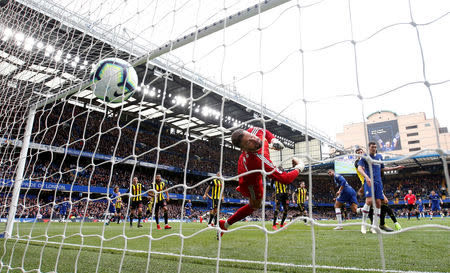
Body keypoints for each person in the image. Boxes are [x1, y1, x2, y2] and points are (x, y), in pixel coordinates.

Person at [217, 127, 304, 239]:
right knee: (255, 205)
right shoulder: (259, 159)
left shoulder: (253, 132)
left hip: (248, 167)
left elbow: (264, 131)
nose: (255, 140)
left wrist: (273, 140)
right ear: (244, 148)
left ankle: (225, 224)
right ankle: (225, 224)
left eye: (251, 136)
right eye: (249, 142)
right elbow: (285, 179)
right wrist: (300, 166)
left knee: (256, 205)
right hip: (251, 181)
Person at [357, 142, 404, 234]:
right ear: (369, 148)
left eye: (375, 147)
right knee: (369, 201)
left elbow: (382, 169)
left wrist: (395, 168)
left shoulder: (379, 157)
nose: (374, 148)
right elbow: (359, 168)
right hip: (369, 181)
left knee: (378, 203)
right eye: (372, 147)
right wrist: (366, 177)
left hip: (378, 182)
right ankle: (363, 224)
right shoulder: (365, 156)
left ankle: (374, 227)